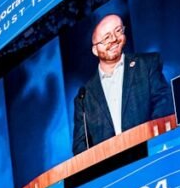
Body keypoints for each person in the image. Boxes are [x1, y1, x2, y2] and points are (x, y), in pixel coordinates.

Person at [72, 13, 173, 155]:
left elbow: (164, 106)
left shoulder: (147, 64)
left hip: (152, 156)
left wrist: (151, 144)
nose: (114, 39)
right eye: (106, 37)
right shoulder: (84, 96)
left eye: (118, 31)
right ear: (95, 50)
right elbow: (80, 147)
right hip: (113, 174)